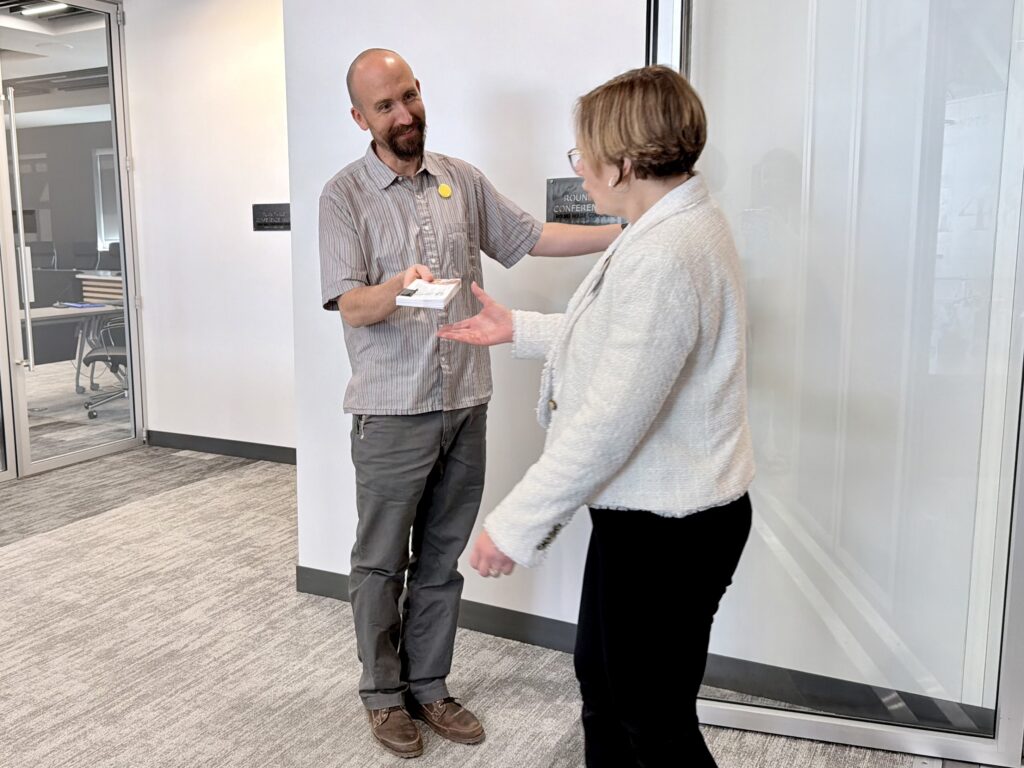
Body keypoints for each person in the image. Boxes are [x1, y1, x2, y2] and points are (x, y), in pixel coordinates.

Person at [438, 65, 755, 767]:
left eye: (583, 152)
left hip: (672, 530)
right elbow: (624, 351)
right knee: (604, 685)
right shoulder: (664, 229)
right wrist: (514, 329)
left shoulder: (669, 252)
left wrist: (513, 525)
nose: (578, 169)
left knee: (653, 718)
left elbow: (611, 418)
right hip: (644, 517)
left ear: (625, 160)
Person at [318, 48, 621, 759]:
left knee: (442, 559)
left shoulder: (460, 179)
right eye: (386, 105)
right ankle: (382, 695)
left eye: (410, 96)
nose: (405, 114)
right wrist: (395, 286)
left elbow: (530, 237)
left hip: (464, 402)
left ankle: (430, 685)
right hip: (391, 413)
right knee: (379, 563)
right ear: (360, 118)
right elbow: (351, 306)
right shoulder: (344, 197)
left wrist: (630, 231)